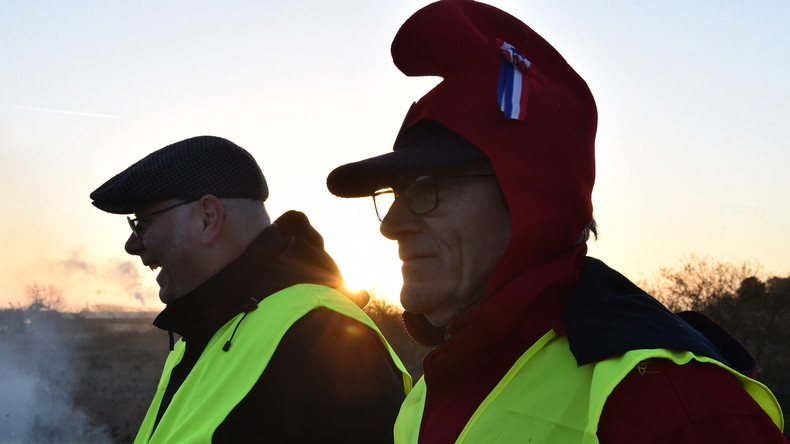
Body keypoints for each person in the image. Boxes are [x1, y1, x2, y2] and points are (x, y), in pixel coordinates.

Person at [326, 1, 786, 443]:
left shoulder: (666, 402)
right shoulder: (430, 391)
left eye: (426, 189)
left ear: (532, 199)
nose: (391, 224)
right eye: (395, 193)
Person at [90, 135, 411, 443]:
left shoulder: (327, 342)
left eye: (142, 224)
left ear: (207, 218)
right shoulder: (205, 333)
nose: (132, 245)